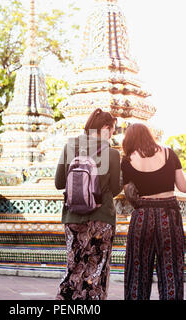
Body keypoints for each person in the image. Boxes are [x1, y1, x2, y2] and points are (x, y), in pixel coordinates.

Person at [54, 108, 122, 300]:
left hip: (73, 216)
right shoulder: (112, 154)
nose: (113, 134)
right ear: (106, 128)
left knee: (74, 268)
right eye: (113, 130)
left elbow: (59, 183)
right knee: (96, 271)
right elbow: (116, 188)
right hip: (101, 218)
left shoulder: (70, 146)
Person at [121, 123, 186, 300]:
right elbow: (184, 187)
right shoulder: (169, 153)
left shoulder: (127, 160)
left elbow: (130, 195)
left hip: (142, 216)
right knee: (171, 269)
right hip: (168, 214)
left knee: (137, 270)